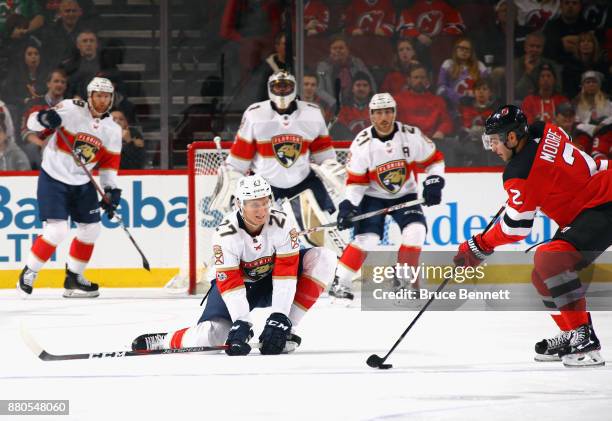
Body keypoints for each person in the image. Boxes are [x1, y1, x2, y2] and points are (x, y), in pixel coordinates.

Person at [454, 104, 608, 367]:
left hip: (603, 201)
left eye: (494, 141)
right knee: (541, 276)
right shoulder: (543, 128)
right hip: (594, 197)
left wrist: (480, 245)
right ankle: (572, 332)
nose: (492, 148)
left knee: (549, 259)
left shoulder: (518, 172)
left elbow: (516, 228)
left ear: (512, 138)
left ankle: (586, 342)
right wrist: (533, 189)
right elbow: (563, 146)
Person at [131, 175, 336, 355]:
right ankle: (163, 340)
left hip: (273, 283)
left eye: (265, 202)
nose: (262, 210)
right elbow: (230, 282)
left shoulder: (282, 225)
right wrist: (242, 321)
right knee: (211, 337)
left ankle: (286, 331)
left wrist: (280, 318)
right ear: (240, 204)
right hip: (240, 287)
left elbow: (286, 276)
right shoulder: (225, 235)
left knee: (324, 257)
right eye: (254, 204)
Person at [211, 71, 344, 255]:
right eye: (277, 87)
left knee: (323, 227)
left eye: (286, 86)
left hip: (303, 183)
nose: (282, 91)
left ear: (294, 88)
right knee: (258, 237)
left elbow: (325, 157)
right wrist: (233, 186)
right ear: (270, 89)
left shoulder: (312, 113)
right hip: (265, 185)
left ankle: (334, 269)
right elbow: (239, 161)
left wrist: (332, 170)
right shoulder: (255, 115)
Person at [329, 93, 445, 300]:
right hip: (372, 196)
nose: (384, 117)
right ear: (371, 115)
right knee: (369, 239)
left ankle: (403, 279)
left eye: (388, 111)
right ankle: (341, 280)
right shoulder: (362, 144)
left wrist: (434, 182)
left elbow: (434, 160)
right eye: (379, 113)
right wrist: (348, 205)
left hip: (405, 195)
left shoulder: (410, 135)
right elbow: (356, 182)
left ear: (394, 113)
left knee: (416, 231)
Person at [16, 77, 122, 298]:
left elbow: (109, 165)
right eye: (98, 95)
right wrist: (44, 118)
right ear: (89, 96)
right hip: (53, 177)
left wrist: (111, 190)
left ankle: (73, 278)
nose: (102, 100)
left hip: (82, 183)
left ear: (111, 99)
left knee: (92, 229)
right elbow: (32, 123)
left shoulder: (112, 129)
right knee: (57, 230)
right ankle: (29, 272)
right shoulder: (71, 109)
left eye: (106, 96)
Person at [21, 68, 68, 169]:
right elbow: (26, 132)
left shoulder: (70, 106)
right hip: (39, 146)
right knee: (31, 148)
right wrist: (43, 144)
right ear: (48, 84)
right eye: (56, 81)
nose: (60, 84)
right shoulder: (34, 103)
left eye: (63, 82)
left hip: (64, 147)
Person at [315, 35, 376, 109]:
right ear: (330, 50)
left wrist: (372, 98)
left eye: (341, 48)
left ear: (348, 50)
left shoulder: (357, 62)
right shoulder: (323, 66)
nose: (338, 51)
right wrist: (333, 102)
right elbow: (319, 89)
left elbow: (370, 81)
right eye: (334, 48)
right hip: (331, 105)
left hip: (356, 103)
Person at [396, 63, 453, 141]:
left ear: (427, 80)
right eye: (416, 77)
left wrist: (441, 132)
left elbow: (446, 121)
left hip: (432, 141)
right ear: (409, 80)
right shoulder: (397, 100)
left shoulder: (438, 100)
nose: (419, 80)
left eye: (422, 77)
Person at [436, 37, 489, 111]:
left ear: (471, 52)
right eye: (461, 48)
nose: (464, 51)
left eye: (467, 49)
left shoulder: (480, 66)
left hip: (475, 107)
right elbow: (441, 88)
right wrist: (458, 97)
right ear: (455, 50)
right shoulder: (448, 64)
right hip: (453, 106)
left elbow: (487, 87)